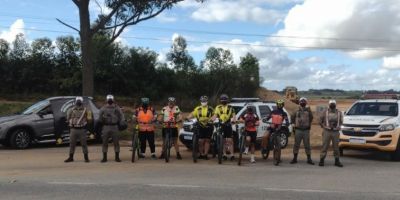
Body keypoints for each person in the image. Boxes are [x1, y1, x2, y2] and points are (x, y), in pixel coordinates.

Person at [64, 97, 92, 163]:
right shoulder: (70, 110)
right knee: (72, 144)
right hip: (73, 129)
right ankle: (71, 157)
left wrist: (89, 117)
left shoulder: (86, 110)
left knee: (84, 144)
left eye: (79, 101)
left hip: (82, 129)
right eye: (77, 101)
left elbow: (90, 120)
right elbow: (67, 118)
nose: (78, 102)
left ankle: (86, 158)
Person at [186, 96, 214, 160]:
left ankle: (205, 154)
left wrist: (211, 120)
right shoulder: (198, 108)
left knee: (207, 140)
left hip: (209, 125)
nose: (203, 102)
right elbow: (192, 114)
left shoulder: (210, 109)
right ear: (200, 101)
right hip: (200, 125)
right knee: (200, 141)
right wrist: (187, 117)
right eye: (202, 101)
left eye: (205, 101)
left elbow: (214, 115)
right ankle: (201, 154)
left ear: (207, 101)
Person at [261, 99, 289, 164]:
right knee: (265, 136)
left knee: (278, 144)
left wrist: (287, 123)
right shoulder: (273, 111)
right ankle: (264, 148)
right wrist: (265, 119)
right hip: (271, 127)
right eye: (278, 104)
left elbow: (287, 120)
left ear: (282, 105)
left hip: (278, 128)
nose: (279, 105)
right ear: (277, 105)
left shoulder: (284, 113)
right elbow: (268, 118)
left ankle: (277, 157)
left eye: (281, 104)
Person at [99, 95, 125, 163]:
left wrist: (122, 122)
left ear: (113, 100)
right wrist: (101, 122)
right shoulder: (103, 108)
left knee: (116, 142)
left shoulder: (117, 108)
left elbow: (121, 115)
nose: (110, 101)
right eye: (109, 99)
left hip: (114, 126)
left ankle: (117, 157)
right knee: (104, 142)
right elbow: (100, 117)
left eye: (111, 99)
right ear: (106, 100)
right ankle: (104, 157)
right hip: (106, 126)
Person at [319, 99, 344, 167]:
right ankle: (321, 160)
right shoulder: (325, 112)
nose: (332, 105)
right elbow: (320, 120)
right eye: (331, 103)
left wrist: (338, 127)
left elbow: (341, 121)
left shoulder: (339, 112)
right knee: (325, 146)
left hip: (336, 132)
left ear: (335, 104)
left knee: (336, 147)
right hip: (327, 131)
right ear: (329, 104)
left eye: (333, 103)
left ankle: (337, 161)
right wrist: (324, 126)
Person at [212, 94, 236, 161]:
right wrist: (211, 120)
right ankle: (224, 154)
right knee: (223, 141)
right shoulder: (217, 107)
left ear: (227, 100)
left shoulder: (231, 107)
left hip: (228, 124)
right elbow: (215, 115)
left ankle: (232, 155)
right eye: (222, 99)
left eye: (225, 99)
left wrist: (234, 120)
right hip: (221, 124)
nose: (223, 100)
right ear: (220, 100)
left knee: (230, 140)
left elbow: (234, 115)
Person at [290, 97, 314, 165]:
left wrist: (308, 124)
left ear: (306, 102)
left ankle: (309, 159)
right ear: (299, 102)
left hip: (306, 130)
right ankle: (294, 158)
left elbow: (311, 118)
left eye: (304, 101)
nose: (302, 102)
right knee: (296, 145)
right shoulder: (296, 110)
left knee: (307, 145)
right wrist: (293, 124)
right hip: (298, 130)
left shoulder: (308, 110)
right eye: (301, 101)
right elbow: (292, 117)